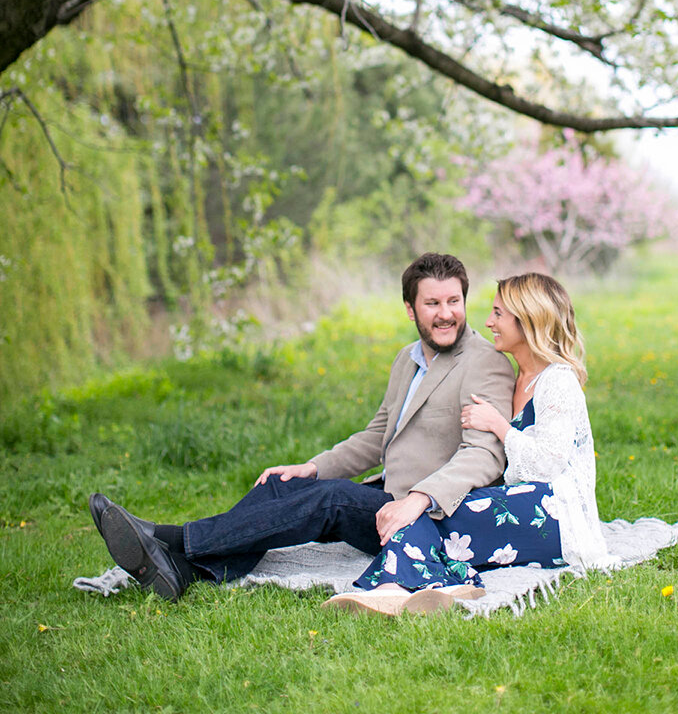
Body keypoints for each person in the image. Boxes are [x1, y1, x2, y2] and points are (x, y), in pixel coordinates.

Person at [89, 252, 515, 602]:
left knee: (329, 500)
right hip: (389, 496)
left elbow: (484, 454)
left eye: (453, 301)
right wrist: (310, 468)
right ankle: (183, 571)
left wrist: (418, 498)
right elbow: (376, 435)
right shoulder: (408, 359)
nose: (446, 314)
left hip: (432, 516)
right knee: (278, 486)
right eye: (432, 304)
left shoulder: (484, 363)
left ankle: (168, 538)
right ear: (410, 309)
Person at [326, 271, 614, 613]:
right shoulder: (517, 376)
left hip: (556, 514)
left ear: (527, 322)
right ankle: (430, 585)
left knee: (428, 509)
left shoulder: (557, 381)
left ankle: (398, 583)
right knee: (430, 506)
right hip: (519, 500)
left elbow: (548, 465)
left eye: (498, 314)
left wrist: (499, 426)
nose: (489, 322)